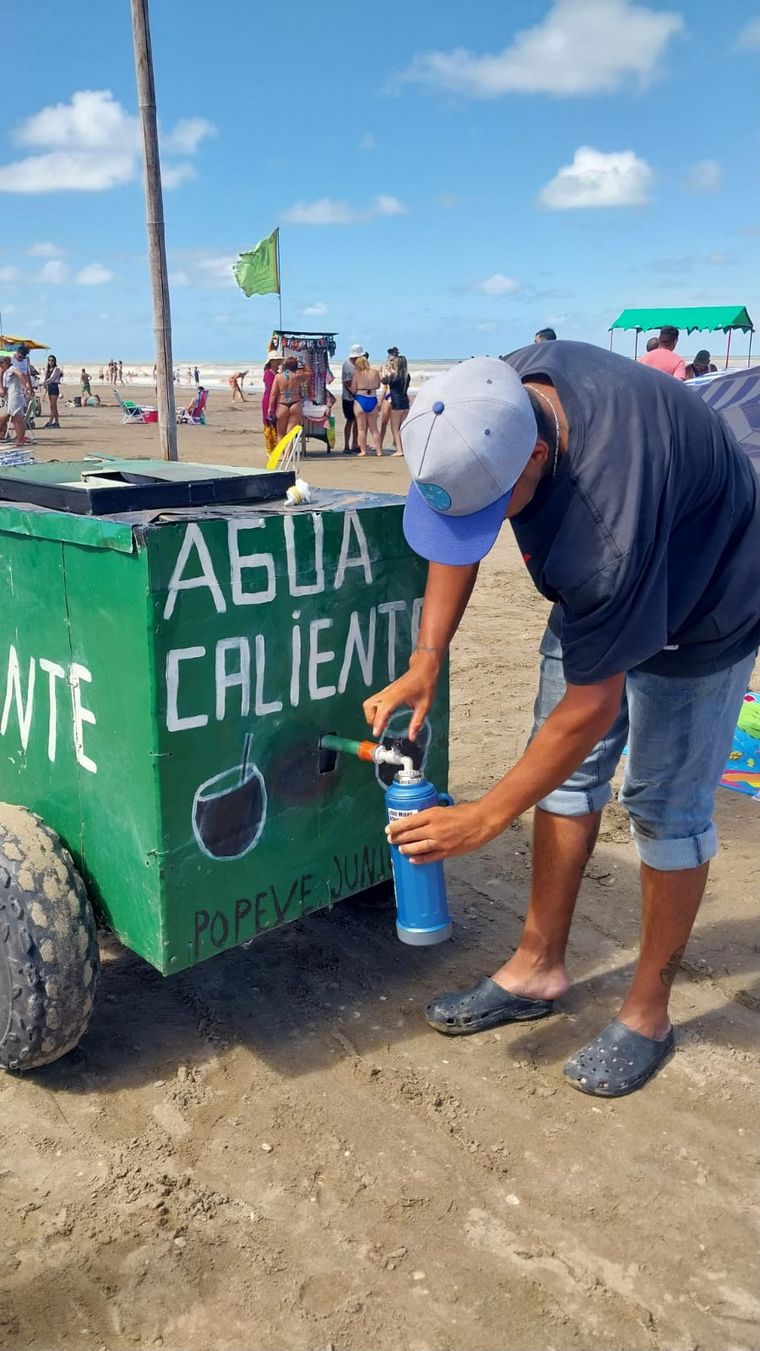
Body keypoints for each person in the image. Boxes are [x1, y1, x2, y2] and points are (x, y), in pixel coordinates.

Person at [365, 344, 760, 1099]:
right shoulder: (489, 399)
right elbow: (461, 524)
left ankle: (648, 1013)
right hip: (608, 583)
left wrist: (482, 817)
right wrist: (427, 658)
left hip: (708, 594)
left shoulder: (601, 534)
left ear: (537, 457)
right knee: (561, 777)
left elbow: (588, 711)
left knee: (664, 808)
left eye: (496, 504)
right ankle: (538, 966)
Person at [267, 355, 311, 441]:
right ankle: (289, 453)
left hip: (282, 405)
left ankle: (284, 454)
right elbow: (309, 372)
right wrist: (302, 362)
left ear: (285, 365)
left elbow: (273, 394)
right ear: (295, 366)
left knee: (280, 433)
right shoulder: (297, 376)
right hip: (295, 404)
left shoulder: (278, 377)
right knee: (290, 433)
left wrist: (270, 408)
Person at [350, 355, 382, 456]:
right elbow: (378, 385)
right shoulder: (374, 372)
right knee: (374, 428)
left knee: (361, 428)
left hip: (360, 399)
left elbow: (354, 389)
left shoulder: (357, 374)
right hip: (372, 399)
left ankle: (363, 451)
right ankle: (379, 451)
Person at [0, 356, 31, 448]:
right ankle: (20, 438)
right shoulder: (7, 370)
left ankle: (20, 439)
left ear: (4, 362)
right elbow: (24, 375)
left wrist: (26, 386)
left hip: (15, 396)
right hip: (14, 395)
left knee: (17, 418)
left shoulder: (12, 369)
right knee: (15, 417)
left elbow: (21, 374)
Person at [388, 354, 411, 456]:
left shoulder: (394, 376)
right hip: (405, 403)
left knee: (395, 428)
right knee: (403, 427)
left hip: (397, 404)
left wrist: (388, 371)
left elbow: (384, 381)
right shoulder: (407, 376)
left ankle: (399, 450)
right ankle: (405, 448)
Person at [341, 344, 363, 452]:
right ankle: (346, 445)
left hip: (356, 397)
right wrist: (354, 393)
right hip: (348, 398)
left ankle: (355, 444)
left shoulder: (357, 365)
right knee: (349, 421)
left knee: (357, 421)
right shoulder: (347, 365)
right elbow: (347, 383)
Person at [261, 353, 282, 453]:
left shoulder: (276, 373)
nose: (278, 363)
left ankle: (276, 448)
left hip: (275, 400)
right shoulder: (268, 374)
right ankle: (270, 450)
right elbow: (271, 390)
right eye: (276, 361)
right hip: (268, 400)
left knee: (275, 424)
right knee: (269, 423)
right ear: (272, 362)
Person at [378, 347, 398, 451]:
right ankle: (379, 444)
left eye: (393, 360)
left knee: (395, 423)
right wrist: (380, 402)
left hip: (396, 397)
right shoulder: (386, 368)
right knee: (384, 421)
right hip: (388, 396)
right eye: (390, 360)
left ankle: (395, 443)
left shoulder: (399, 370)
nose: (391, 362)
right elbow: (384, 387)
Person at [43, 354, 63, 428]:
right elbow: (46, 378)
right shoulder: (48, 369)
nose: (51, 361)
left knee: (53, 405)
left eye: (52, 360)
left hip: (54, 387)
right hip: (50, 387)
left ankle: (50, 421)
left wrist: (42, 383)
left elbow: (51, 379)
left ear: (55, 361)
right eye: (49, 360)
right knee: (53, 406)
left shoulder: (56, 369)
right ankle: (56, 422)